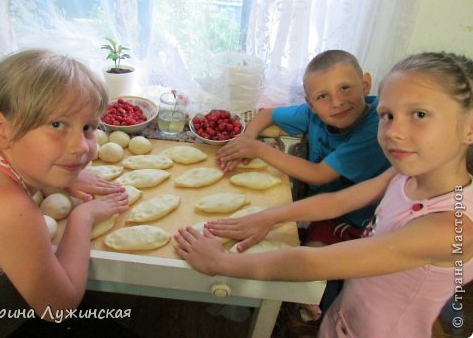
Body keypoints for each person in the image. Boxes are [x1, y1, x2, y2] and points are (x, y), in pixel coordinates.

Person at [175, 51, 473, 337]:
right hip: (347, 315)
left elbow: (313, 264)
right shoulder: (405, 173)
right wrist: (268, 216)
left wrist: (223, 264)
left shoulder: (450, 228)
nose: (393, 131)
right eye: (387, 115)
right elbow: (339, 201)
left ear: (469, 128)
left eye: (419, 114)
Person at [0, 49, 130, 336]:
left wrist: (60, 177)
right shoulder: (6, 208)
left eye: (88, 127)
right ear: (1, 129)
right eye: (57, 125)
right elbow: (57, 309)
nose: (82, 147)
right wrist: (82, 217)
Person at [217, 50, 390, 246]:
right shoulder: (313, 114)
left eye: (345, 88)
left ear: (365, 84)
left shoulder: (377, 127)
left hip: (367, 225)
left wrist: (257, 149)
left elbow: (319, 174)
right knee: (303, 261)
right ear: (311, 104)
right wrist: (246, 140)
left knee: (316, 268)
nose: (337, 102)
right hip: (323, 215)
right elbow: (268, 115)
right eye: (323, 96)